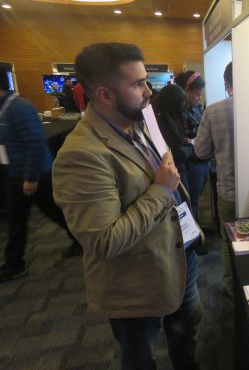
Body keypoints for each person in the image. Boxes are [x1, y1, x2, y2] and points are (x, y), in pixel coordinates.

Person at [52, 43, 202, 370]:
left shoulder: (140, 118)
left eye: (146, 81)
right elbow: (103, 240)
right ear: (105, 95)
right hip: (137, 282)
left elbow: (162, 164)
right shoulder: (81, 154)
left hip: (181, 254)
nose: (149, 92)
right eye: (137, 84)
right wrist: (161, 190)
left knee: (186, 333)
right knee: (140, 356)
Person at [0, 68, 82, 283]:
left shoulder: (19, 108)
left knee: (53, 212)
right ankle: (14, 263)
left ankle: (82, 239)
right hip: (17, 174)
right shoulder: (6, 108)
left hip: (35, 174)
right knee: (17, 220)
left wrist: (31, 177)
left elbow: (35, 144)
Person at [194, 62, 235, 298]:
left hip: (228, 190)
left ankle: (231, 289)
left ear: (227, 83)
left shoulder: (213, 111)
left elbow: (200, 151)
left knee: (229, 242)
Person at [174, 70, 209, 220]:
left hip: (203, 159)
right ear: (186, 90)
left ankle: (196, 226)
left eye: (201, 94)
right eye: (197, 94)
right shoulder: (179, 111)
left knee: (196, 198)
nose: (199, 98)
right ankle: (194, 230)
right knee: (191, 201)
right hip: (191, 162)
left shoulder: (197, 107)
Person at [151, 84, 189, 187]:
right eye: (181, 103)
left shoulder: (162, 117)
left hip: (174, 167)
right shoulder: (163, 121)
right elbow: (175, 151)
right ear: (173, 103)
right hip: (174, 168)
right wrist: (190, 151)